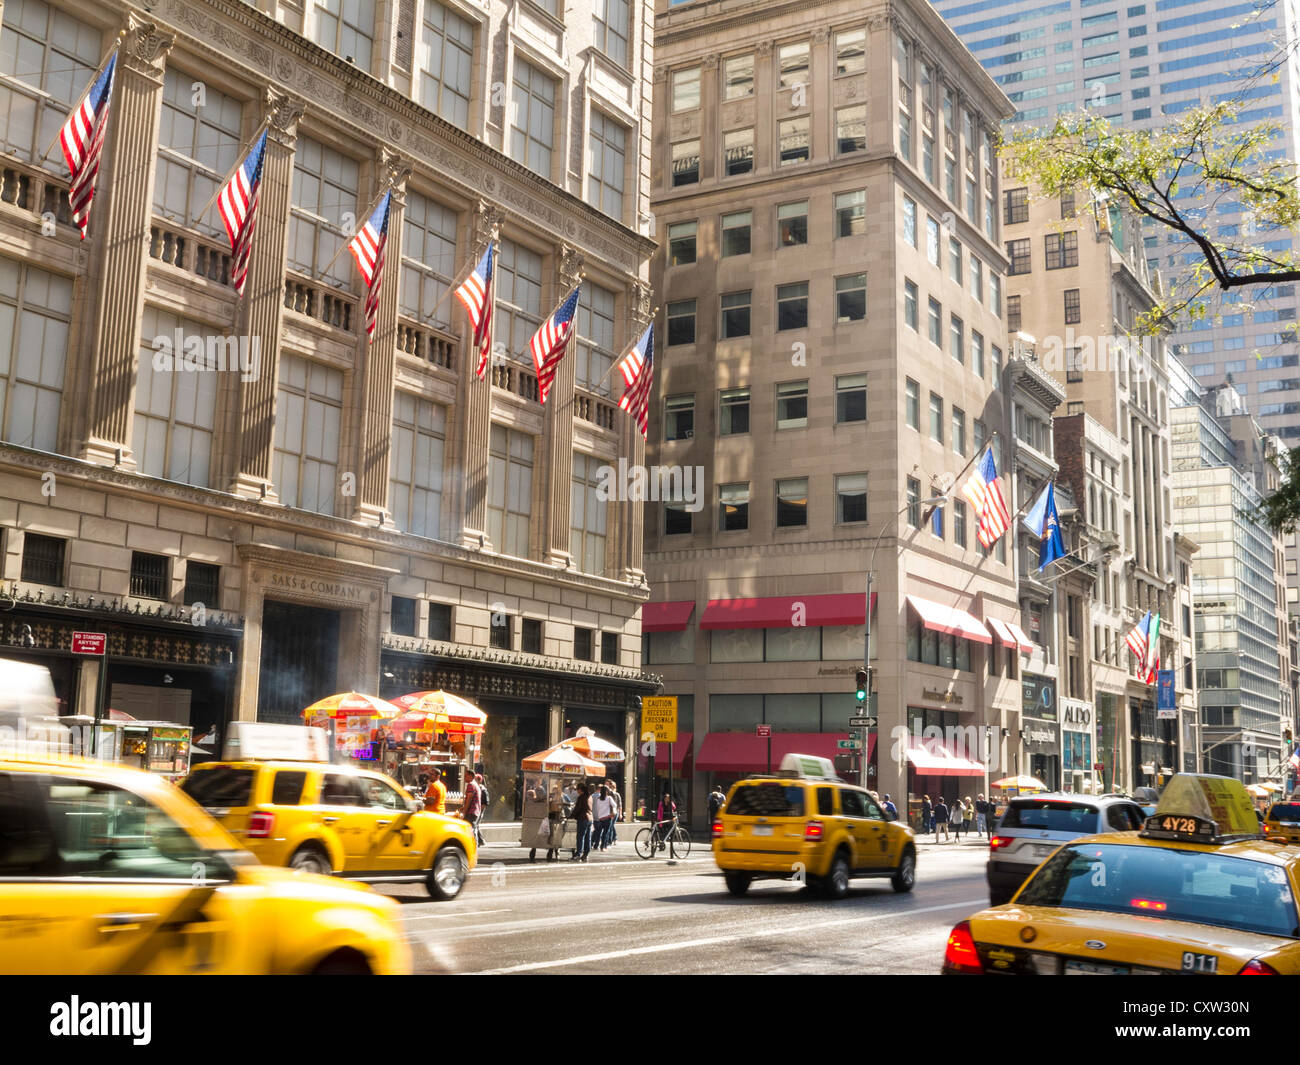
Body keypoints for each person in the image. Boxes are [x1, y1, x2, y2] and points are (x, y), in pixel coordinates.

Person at [571, 782, 593, 861]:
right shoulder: (589, 796)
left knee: (580, 837)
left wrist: (571, 816)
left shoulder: (581, 797)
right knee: (587, 837)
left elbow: (578, 809)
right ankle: (586, 854)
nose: (577, 791)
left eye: (577, 789)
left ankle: (578, 854)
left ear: (580, 790)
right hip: (590, 818)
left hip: (583, 818)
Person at [591, 782, 615, 852]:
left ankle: (596, 845)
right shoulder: (609, 798)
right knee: (605, 833)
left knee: (598, 832)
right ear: (607, 792)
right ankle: (603, 847)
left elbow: (598, 808)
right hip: (607, 817)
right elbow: (614, 805)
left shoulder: (598, 799)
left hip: (600, 818)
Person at [460, 772, 481, 843]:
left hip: (471, 812)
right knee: (472, 829)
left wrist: (464, 811)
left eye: (466, 776)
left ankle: (473, 846)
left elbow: (469, 798)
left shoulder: (471, 785)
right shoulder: (476, 785)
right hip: (475, 811)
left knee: (470, 830)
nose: (464, 778)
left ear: (471, 776)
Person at [546, 785, 564, 861]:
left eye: (556, 789)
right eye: (554, 789)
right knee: (552, 835)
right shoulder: (550, 797)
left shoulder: (562, 797)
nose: (554, 791)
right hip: (552, 817)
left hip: (558, 817)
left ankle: (556, 851)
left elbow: (563, 806)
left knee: (557, 835)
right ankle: (551, 850)